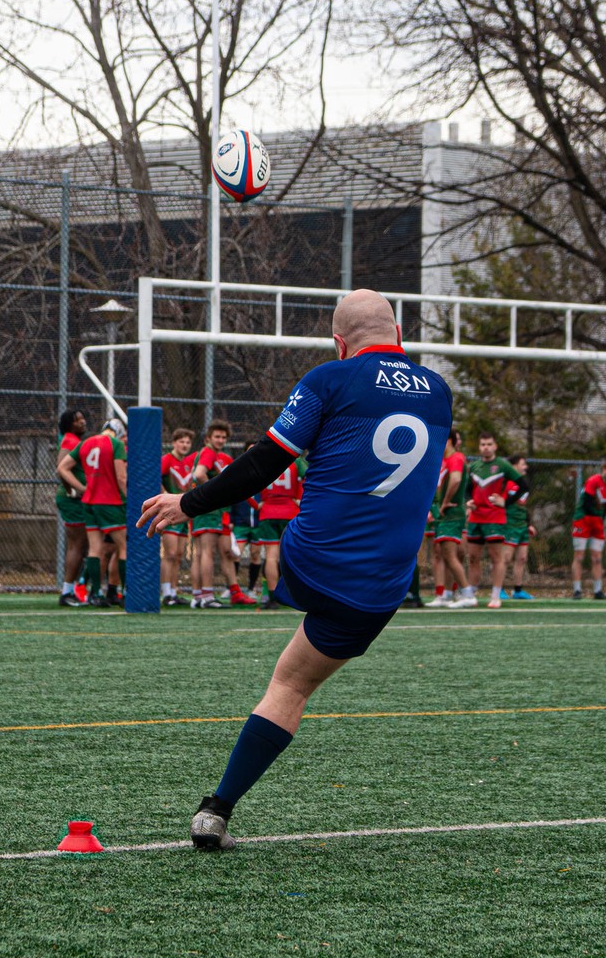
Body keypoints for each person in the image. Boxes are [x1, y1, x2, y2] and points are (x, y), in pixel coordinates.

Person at [139, 289, 453, 850]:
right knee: (292, 684)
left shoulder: (328, 380)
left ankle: (216, 810)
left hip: (311, 560)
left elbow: (264, 462)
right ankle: (216, 810)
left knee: (286, 673)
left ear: (339, 343)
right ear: (399, 335)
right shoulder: (439, 391)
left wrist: (186, 503)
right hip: (382, 587)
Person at [464, 432, 525, 608]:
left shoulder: (503, 466)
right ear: (479, 446)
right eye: (483, 444)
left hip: (495, 518)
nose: (486, 447)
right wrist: (468, 502)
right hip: (476, 518)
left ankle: (496, 595)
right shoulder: (474, 466)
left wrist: (506, 502)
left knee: (496, 557)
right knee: (473, 557)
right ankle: (471, 595)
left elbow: (523, 486)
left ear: (495, 446)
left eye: (489, 444)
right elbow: (467, 490)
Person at [78, 418, 128, 606]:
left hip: (89, 500)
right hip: (110, 501)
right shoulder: (115, 444)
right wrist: (131, 501)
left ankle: (96, 593)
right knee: (124, 546)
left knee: (95, 548)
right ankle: (126, 592)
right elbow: (121, 477)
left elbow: (63, 467)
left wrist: (82, 487)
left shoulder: (87, 443)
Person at [189, 420, 234, 609]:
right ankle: (207, 595)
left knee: (199, 553)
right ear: (208, 438)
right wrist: (212, 496)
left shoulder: (209, 453)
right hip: (208, 509)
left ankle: (197, 595)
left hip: (200, 507)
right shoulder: (208, 453)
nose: (221, 440)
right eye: (217, 436)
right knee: (207, 552)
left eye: (224, 437)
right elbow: (199, 474)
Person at [254, 453, 306, 606]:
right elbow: (309, 477)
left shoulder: (264, 458)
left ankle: (272, 597)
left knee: (271, 556)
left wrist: (256, 504)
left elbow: (245, 481)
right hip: (290, 511)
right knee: (293, 554)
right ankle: (296, 596)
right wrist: (300, 498)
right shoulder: (296, 461)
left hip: (268, 511)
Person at [52, 408, 92, 606]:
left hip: (77, 500)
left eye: (83, 418)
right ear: (69, 424)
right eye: (77, 420)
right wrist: (77, 490)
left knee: (87, 545)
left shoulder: (76, 441)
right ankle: (68, 591)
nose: (82, 422)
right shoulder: (69, 440)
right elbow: (61, 468)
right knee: (78, 545)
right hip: (73, 501)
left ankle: (78, 588)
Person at [572, 458, 606, 599]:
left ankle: (598, 591)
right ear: (603, 470)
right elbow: (587, 502)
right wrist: (595, 517)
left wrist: (601, 521)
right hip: (583, 519)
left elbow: (605, 507)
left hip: (597, 522)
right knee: (579, 556)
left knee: (597, 558)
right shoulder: (594, 481)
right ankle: (577, 590)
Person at [430, 429, 467, 606]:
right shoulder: (443, 461)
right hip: (443, 514)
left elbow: (456, 480)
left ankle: (466, 593)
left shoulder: (456, 458)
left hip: (452, 513)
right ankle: (444, 594)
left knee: (452, 555)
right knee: (443, 553)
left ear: (450, 441)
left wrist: (444, 502)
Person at [159, 428, 196, 606]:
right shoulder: (167, 460)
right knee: (170, 553)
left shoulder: (188, 463)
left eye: (188, 442)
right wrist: (165, 496)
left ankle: (173, 591)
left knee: (179, 554)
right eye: (181, 441)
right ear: (174, 443)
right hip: (169, 513)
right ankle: (166, 593)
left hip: (182, 514)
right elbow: (155, 477)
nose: (184, 445)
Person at [503, 459, 537, 599]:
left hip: (521, 525)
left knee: (522, 558)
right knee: (505, 558)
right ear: (514, 466)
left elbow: (523, 506)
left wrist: (528, 523)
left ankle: (517, 590)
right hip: (509, 524)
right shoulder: (507, 483)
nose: (526, 467)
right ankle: (499, 589)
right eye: (523, 464)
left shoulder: (524, 484)